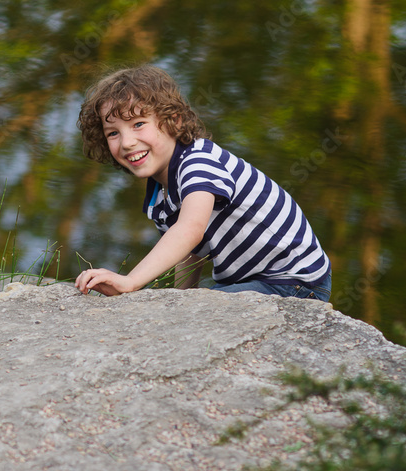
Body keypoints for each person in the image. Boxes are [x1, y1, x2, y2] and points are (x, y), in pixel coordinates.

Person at [73, 66, 331, 301]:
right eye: (113, 133)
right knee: (179, 313)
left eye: (138, 124)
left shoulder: (199, 163)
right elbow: (189, 250)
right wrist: (179, 300)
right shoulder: (160, 193)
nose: (127, 142)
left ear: (173, 120)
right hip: (252, 281)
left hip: (293, 282)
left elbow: (190, 230)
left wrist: (130, 281)